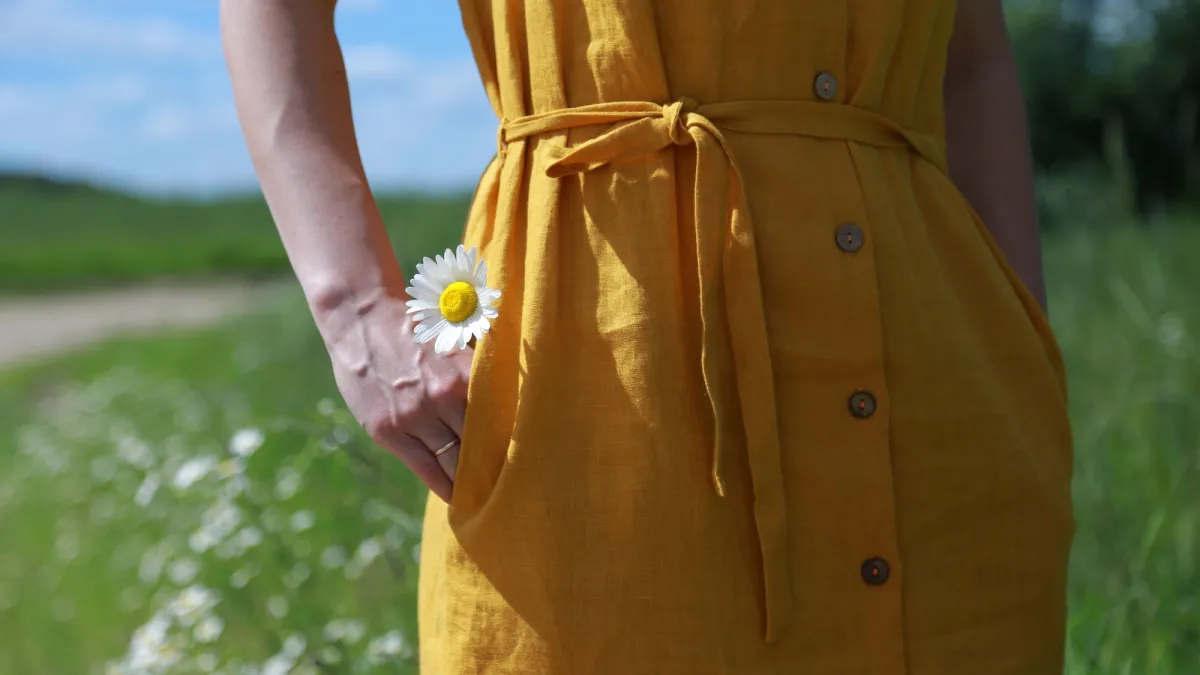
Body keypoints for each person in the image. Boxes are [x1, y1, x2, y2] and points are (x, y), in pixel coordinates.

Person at [221, 0, 1075, 673]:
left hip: (947, 413)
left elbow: (972, 62)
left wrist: (1019, 329)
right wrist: (357, 312)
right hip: (593, 407)